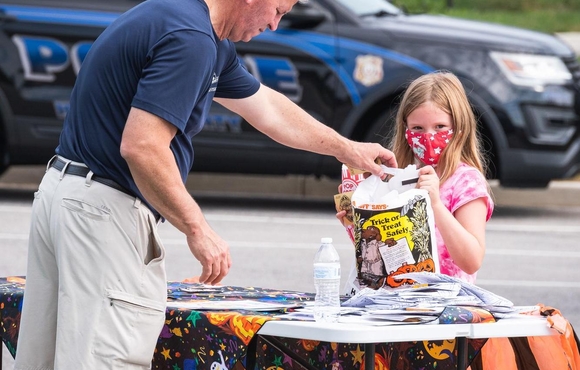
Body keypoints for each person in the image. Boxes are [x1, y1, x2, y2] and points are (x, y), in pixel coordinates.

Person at [14, 0, 398, 369]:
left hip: (65, 192)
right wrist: (197, 228)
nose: (275, 25)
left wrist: (347, 149)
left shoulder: (194, 28)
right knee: (105, 356)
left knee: (44, 359)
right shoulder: (191, 38)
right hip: (102, 210)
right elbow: (143, 146)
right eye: (279, 10)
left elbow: (267, 108)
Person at [337, 70, 494, 285]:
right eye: (418, 128)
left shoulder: (466, 182)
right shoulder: (396, 178)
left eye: (440, 127)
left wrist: (436, 204)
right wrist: (358, 222)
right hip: (398, 301)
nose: (428, 137)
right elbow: (380, 258)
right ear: (405, 130)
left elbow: (471, 260)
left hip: (446, 304)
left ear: (459, 128)